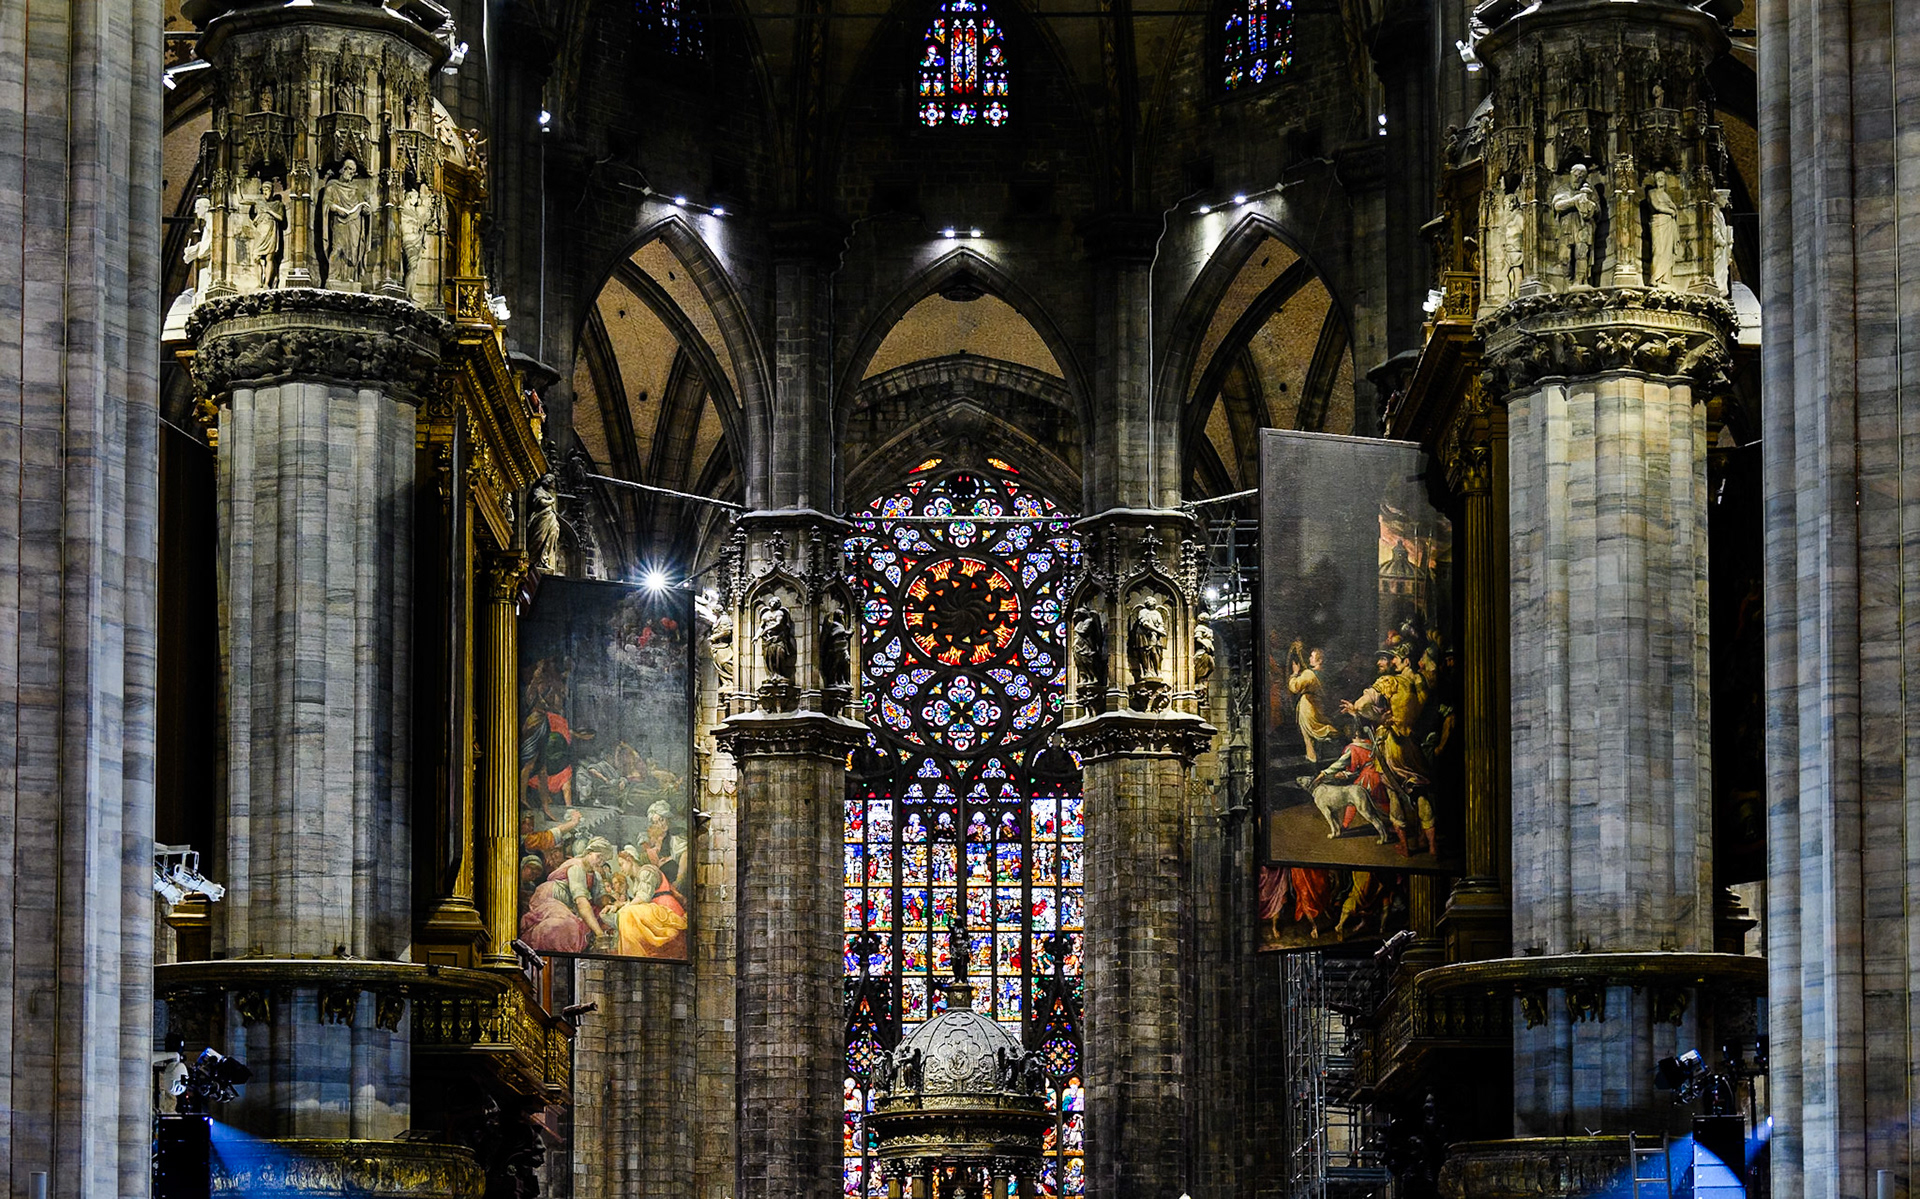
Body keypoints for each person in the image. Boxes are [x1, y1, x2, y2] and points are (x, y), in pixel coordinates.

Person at [520, 837, 616, 953]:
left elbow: (599, 898)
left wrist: (612, 902)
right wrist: (599, 934)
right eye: (599, 856)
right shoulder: (577, 867)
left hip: (570, 906)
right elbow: (581, 902)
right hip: (550, 899)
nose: (600, 862)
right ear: (589, 852)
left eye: (603, 860)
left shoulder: (595, 875)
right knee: (567, 926)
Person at [613, 862, 688, 958]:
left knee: (627, 914)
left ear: (629, 859)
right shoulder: (638, 878)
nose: (621, 869)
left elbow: (643, 897)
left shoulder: (646, 871)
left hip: (666, 907)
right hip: (656, 909)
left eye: (621, 864)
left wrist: (624, 907)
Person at [317, 157, 371, 287]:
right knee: (338, 249)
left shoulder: (357, 189)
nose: (351, 173)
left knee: (353, 251)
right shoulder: (332, 185)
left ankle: (350, 278)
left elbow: (364, 207)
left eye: (353, 171)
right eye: (349, 169)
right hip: (339, 222)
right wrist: (336, 208)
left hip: (355, 224)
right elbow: (326, 202)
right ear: (342, 169)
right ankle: (333, 277)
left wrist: (366, 210)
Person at [1287, 645, 1339, 761]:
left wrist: (1295, 673)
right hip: (1319, 705)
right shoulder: (1325, 675)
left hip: (1308, 706)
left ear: (1319, 661)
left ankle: (1312, 758)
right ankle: (1315, 757)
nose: (1310, 658)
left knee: (1309, 735)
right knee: (1314, 732)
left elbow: (1295, 687)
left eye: (1312, 656)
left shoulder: (1309, 674)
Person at [1552, 163, 1598, 287]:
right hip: (1566, 227)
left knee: (1581, 254)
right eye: (1576, 175)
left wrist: (1589, 205)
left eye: (1581, 176)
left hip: (1584, 226)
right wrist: (1575, 201)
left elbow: (1598, 211)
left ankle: (1579, 282)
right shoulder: (1563, 189)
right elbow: (1558, 206)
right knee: (1564, 257)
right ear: (1571, 174)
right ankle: (1567, 283)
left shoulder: (1590, 191)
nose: (1578, 177)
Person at [1646, 170, 1679, 287]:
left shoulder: (1667, 196)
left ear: (1665, 181)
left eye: (1662, 178)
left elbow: (1674, 208)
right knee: (1658, 250)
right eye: (1657, 178)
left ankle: (1664, 278)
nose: (1660, 180)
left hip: (1668, 224)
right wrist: (1670, 211)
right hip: (1658, 222)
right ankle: (1654, 277)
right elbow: (1656, 206)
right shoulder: (1652, 192)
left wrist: (1673, 210)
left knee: (1667, 252)